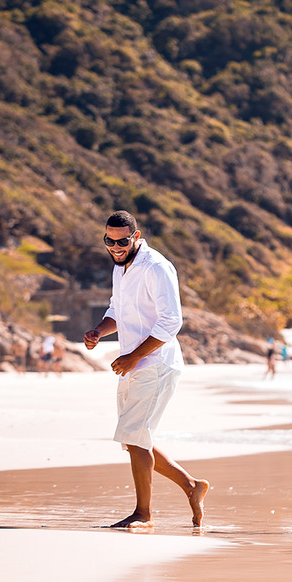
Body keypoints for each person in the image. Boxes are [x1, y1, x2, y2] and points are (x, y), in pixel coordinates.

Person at [84, 210, 209, 529]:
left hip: (155, 364)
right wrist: (99, 330)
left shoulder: (156, 267)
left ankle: (144, 514)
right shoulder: (120, 267)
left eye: (122, 241)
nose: (115, 247)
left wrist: (134, 357)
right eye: (109, 241)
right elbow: (118, 309)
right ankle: (191, 486)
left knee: (135, 436)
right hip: (133, 364)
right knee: (133, 436)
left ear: (135, 237)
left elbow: (172, 321)